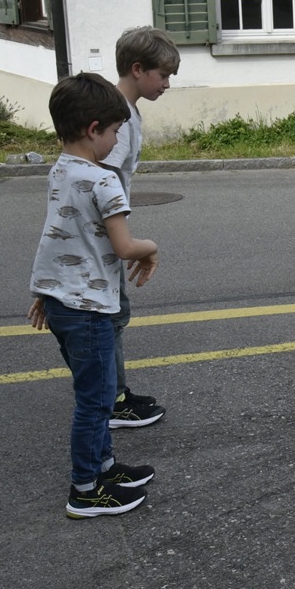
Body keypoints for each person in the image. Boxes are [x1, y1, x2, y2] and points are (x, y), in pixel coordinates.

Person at [26, 73, 160, 518]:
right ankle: (85, 488)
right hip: (89, 309)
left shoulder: (61, 170)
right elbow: (125, 248)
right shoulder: (104, 181)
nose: (117, 139)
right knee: (96, 400)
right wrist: (151, 247)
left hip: (65, 304)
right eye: (116, 131)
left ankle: (104, 467)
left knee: (94, 394)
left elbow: (57, 237)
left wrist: (45, 291)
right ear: (93, 129)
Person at [101, 26, 180, 429]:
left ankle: (112, 393)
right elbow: (103, 182)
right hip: (103, 239)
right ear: (137, 69)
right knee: (110, 315)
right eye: (162, 75)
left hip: (106, 236)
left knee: (112, 313)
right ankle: (112, 402)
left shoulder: (122, 110)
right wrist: (124, 241)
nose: (166, 84)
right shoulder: (118, 118)